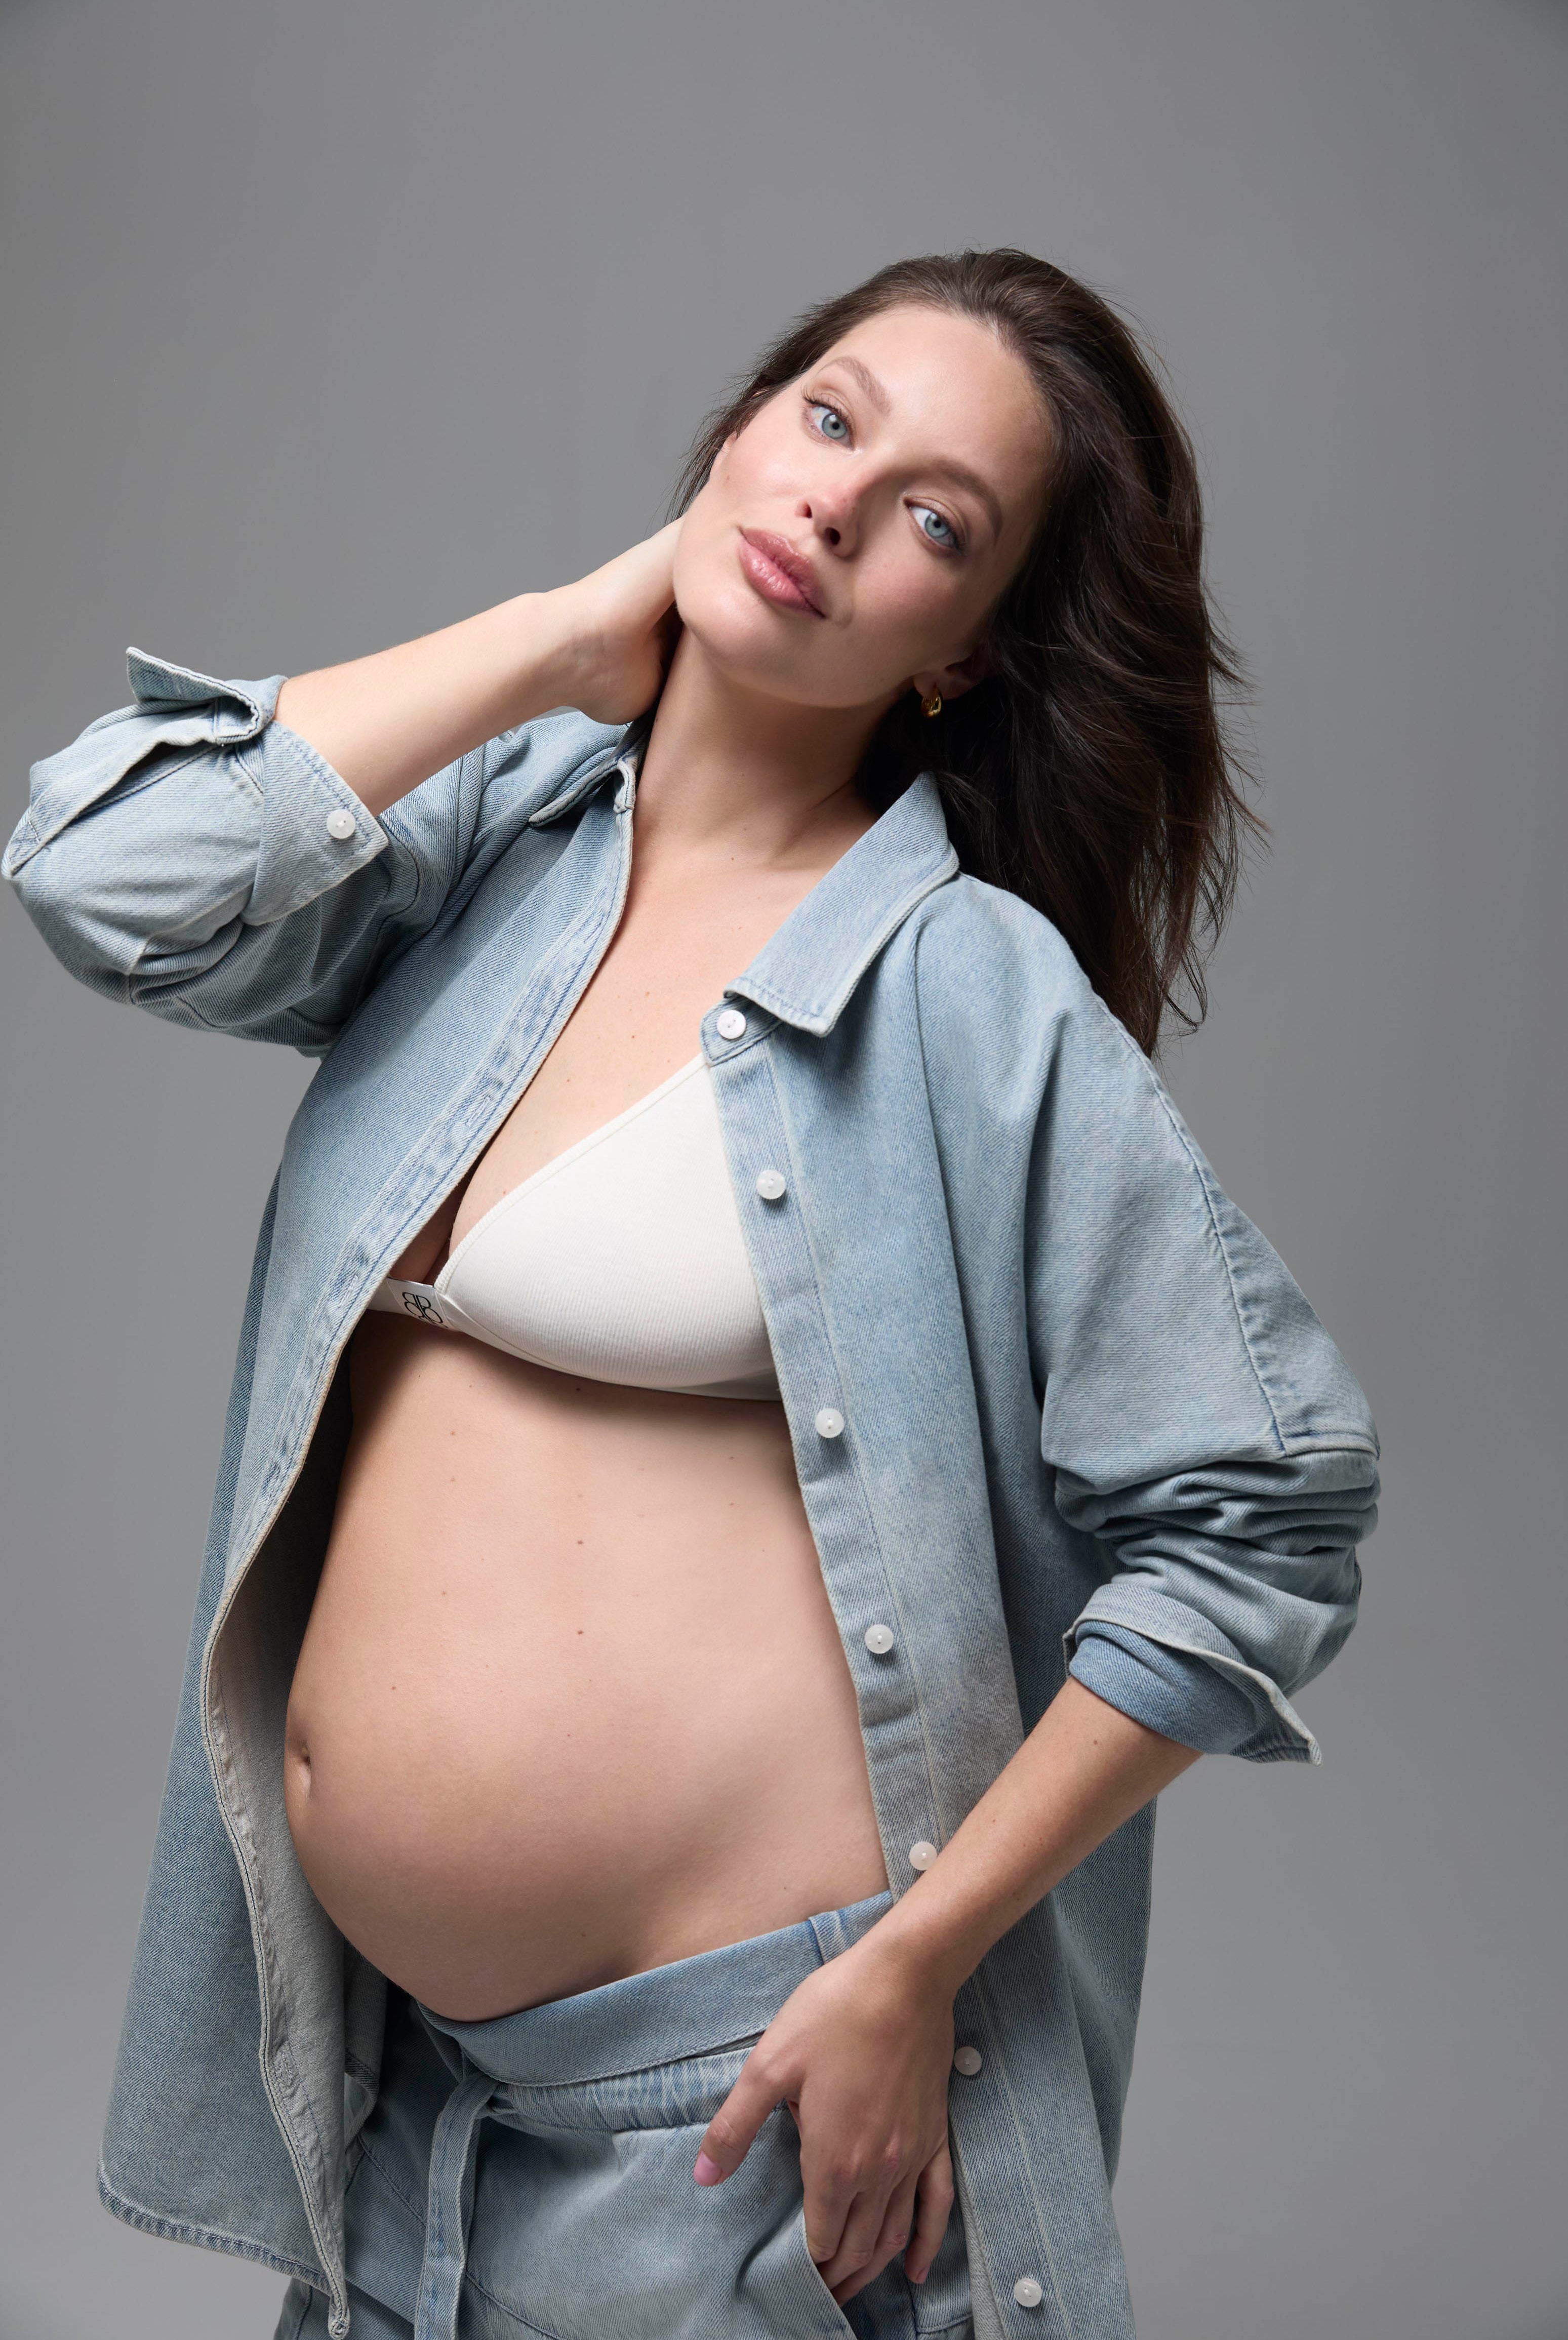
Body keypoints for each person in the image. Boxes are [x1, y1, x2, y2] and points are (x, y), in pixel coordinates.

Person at [5, 248, 1379, 2340]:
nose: (837, 502)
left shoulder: (960, 991)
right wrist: (566, 637)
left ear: (961, 652)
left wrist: (915, 1967)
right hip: (392, 2110)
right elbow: (99, 875)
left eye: (937, 518)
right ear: (734, 438)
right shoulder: (483, 859)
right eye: (827, 416)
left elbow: (1259, 1520)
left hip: (736, 2133)